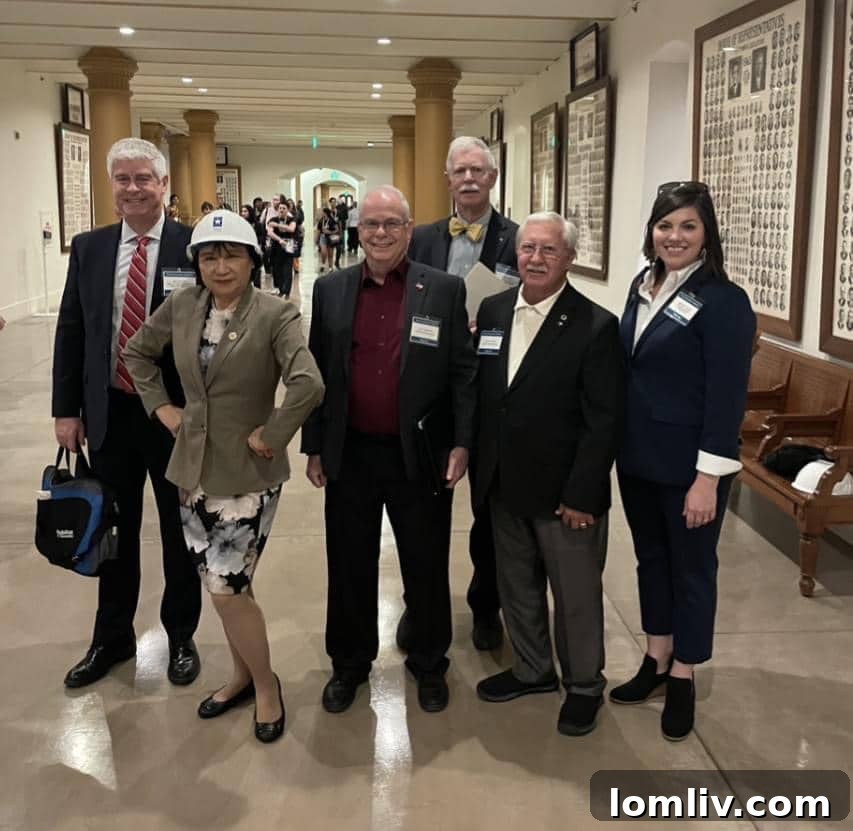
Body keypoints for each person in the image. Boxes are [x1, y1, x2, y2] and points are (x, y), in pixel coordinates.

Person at [123, 210, 324, 743]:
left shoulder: (276, 313)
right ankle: (240, 676)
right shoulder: (183, 306)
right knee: (229, 585)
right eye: (209, 256)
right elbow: (137, 352)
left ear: (253, 259)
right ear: (197, 265)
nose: (220, 266)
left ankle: (265, 686)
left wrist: (272, 434)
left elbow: (308, 384)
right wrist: (161, 408)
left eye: (231, 254)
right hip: (191, 471)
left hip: (246, 475)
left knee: (225, 588)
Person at [301, 185, 477, 715]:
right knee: (349, 562)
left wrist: (462, 441)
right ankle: (349, 664)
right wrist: (314, 446)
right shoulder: (330, 289)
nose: (381, 233)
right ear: (358, 231)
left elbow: (463, 372)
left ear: (409, 228)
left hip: (418, 452)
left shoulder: (442, 289)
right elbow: (315, 372)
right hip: (350, 452)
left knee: (425, 562)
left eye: (392, 224)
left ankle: (428, 662)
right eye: (372, 224)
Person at [52, 137, 202, 688]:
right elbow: (72, 330)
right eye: (123, 179)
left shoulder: (192, 247)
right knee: (112, 530)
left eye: (144, 178)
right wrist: (66, 410)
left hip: (173, 417)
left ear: (165, 185)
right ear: (111, 186)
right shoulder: (90, 248)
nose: (134, 188)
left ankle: (181, 636)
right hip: (110, 412)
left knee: (178, 530)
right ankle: (111, 639)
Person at [610, 181, 755, 741]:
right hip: (638, 457)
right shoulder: (641, 286)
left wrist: (706, 480)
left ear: (706, 234)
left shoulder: (724, 301)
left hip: (691, 467)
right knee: (651, 561)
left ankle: (686, 674)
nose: (675, 236)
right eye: (665, 225)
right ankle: (656, 657)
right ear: (652, 230)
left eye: (688, 226)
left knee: (692, 569)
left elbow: (726, 397)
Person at [473, 212, 625, 736]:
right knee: (516, 586)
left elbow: (603, 421)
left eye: (549, 251)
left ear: (570, 259)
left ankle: (584, 685)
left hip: (566, 493)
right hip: (503, 482)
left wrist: (583, 493)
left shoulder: (596, 325)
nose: (535, 259)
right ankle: (534, 669)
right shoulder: (493, 311)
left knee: (576, 594)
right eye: (527, 248)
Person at [406, 135, 519, 652]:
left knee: (489, 509)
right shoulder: (423, 239)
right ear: (447, 179)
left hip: (494, 388)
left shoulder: (519, 239)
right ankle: (420, 605)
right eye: (460, 171)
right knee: (423, 510)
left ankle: (485, 604)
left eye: (478, 170)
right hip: (434, 389)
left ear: (492, 177)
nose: (469, 179)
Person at [266, 201, 297, 298]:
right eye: (280, 208)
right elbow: (270, 233)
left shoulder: (292, 219)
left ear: (287, 210)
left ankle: (287, 291)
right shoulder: (273, 219)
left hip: (288, 246)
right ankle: (280, 289)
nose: (281, 210)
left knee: (287, 270)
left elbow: (291, 229)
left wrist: (278, 225)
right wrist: (280, 240)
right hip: (277, 246)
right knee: (277, 269)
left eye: (284, 208)